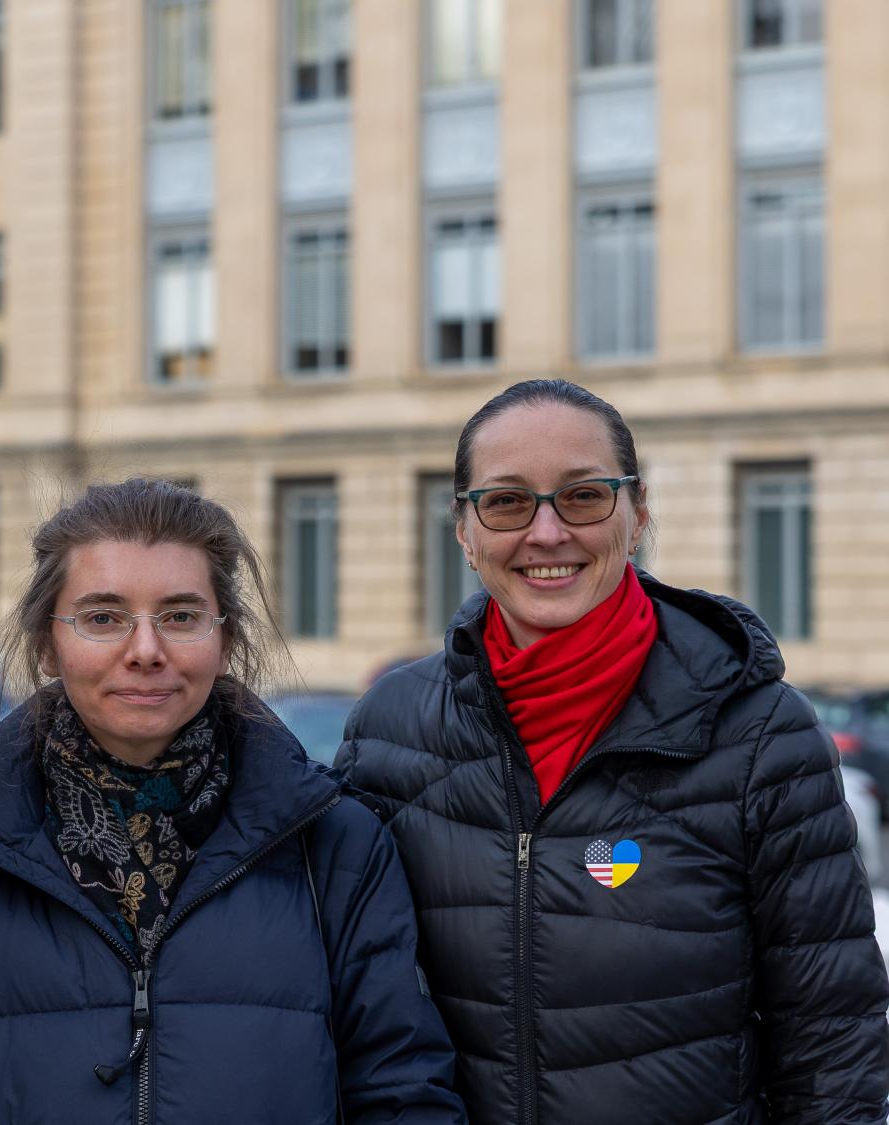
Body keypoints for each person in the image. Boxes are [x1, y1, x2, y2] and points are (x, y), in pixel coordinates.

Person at [337, 379, 889, 1123]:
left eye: (584, 495)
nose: (547, 531)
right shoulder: (388, 727)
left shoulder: (761, 733)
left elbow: (833, 1035)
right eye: (506, 501)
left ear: (638, 513)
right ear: (463, 530)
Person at [0, 478, 465, 1124]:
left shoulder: (335, 848)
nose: (145, 651)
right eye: (103, 617)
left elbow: (403, 1094)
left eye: (180, 615)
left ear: (224, 639)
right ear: (44, 643)